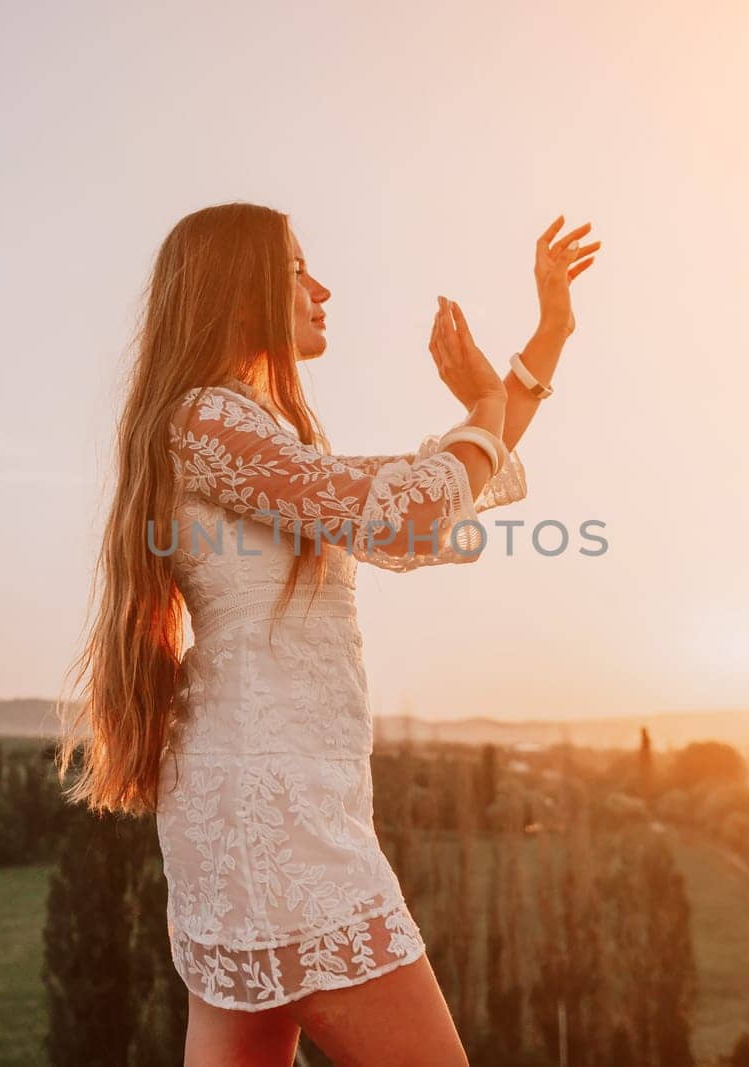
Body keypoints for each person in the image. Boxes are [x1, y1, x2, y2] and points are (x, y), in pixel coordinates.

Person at [56, 201, 598, 1066]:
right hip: (272, 807)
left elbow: (438, 486)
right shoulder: (207, 422)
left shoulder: (257, 437)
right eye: (297, 269)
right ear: (240, 295)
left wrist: (548, 340)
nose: (322, 288)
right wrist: (488, 403)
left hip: (266, 794)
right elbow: (412, 512)